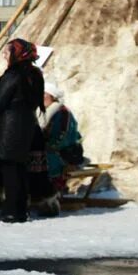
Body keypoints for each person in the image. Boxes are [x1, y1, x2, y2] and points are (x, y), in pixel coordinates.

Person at [0, 39, 46, 223]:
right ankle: (19, 209)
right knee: (18, 169)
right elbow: (2, 91)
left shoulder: (14, 74)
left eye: (7, 52)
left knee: (9, 171)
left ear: (17, 53)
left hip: (9, 128)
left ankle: (11, 211)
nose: (5, 55)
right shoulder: (33, 73)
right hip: (25, 125)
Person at [38, 80, 87, 214]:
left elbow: (60, 138)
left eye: (44, 95)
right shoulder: (49, 111)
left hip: (61, 155)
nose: (41, 97)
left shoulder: (61, 113)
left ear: (52, 97)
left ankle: (48, 200)